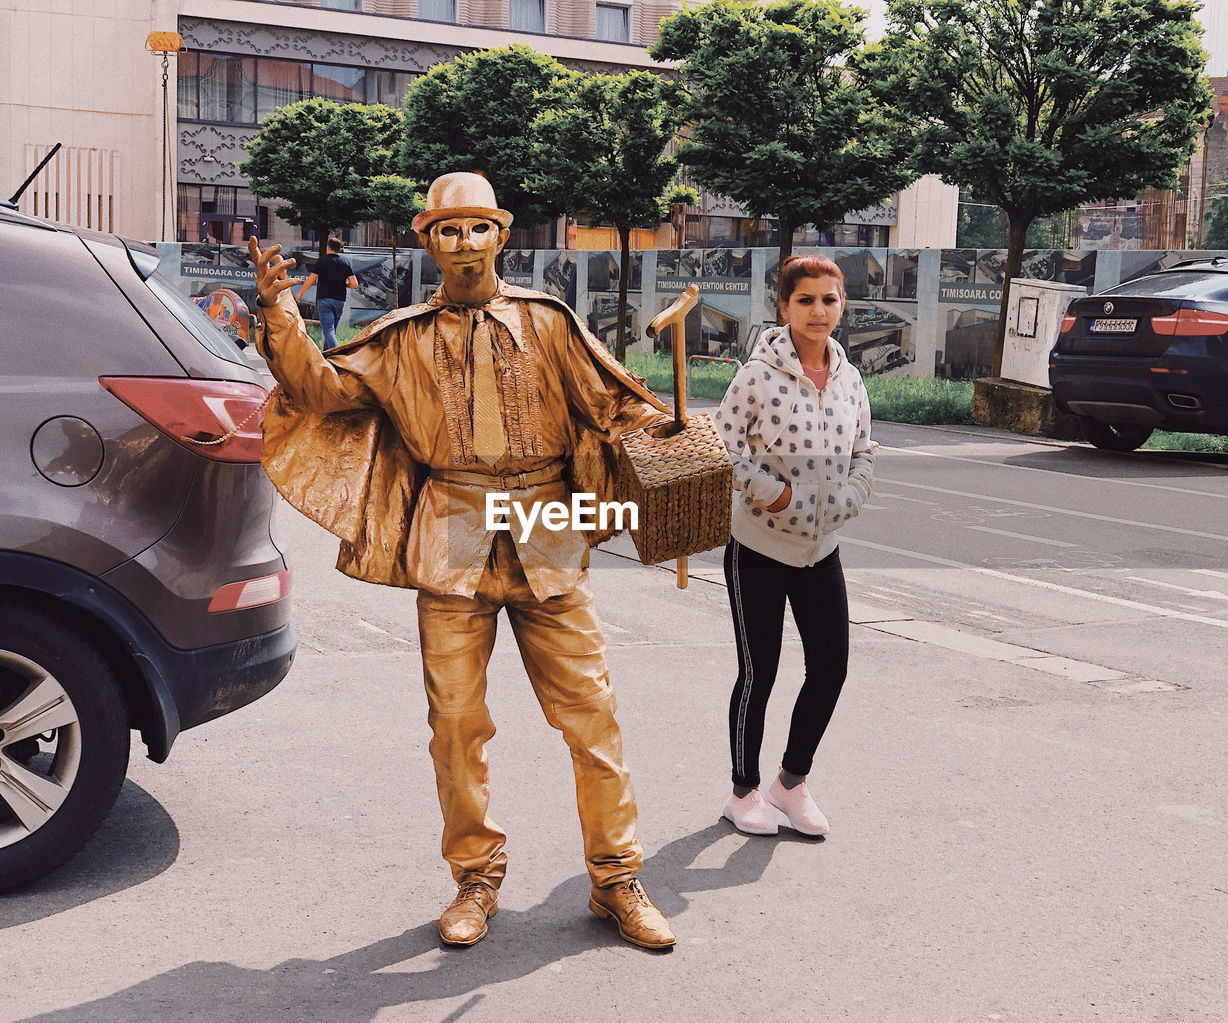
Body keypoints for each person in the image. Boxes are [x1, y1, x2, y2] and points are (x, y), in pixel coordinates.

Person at [246, 172, 676, 951]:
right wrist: (279, 314)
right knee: (454, 727)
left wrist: (669, 432)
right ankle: (475, 878)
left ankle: (616, 877)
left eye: (478, 227)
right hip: (451, 533)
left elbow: (615, 403)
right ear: (427, 238)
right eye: (448, 229)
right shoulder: (403, 338)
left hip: (548, 523)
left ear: (501, 234)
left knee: (592, 715)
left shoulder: (549, 322)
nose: (464, 242)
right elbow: (318, 389)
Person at [713, 254, 877, 838]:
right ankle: (743, 791)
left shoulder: (849, 377)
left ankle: (791, 782)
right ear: (783, 308)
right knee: (761, 672)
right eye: (805, 300)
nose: (818, 311)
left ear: (842, 306)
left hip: (821, 550)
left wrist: (854, 491)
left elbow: (864, 447)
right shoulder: (755, 377)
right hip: (758, 545)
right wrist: (774, 497)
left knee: (831, 667)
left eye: (828, 300)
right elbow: (723, 447)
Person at [296, 236, 358, 351]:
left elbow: (310, 280)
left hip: (324, 299)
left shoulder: (322, 261)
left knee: (328, 330)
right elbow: (354, 284)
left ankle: (338, 353)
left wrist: (301, 293)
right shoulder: (345, 262)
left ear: (328, 247)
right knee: (331, 331)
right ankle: (326, 356)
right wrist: (344, 285)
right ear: (339, 249)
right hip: (339, 300)